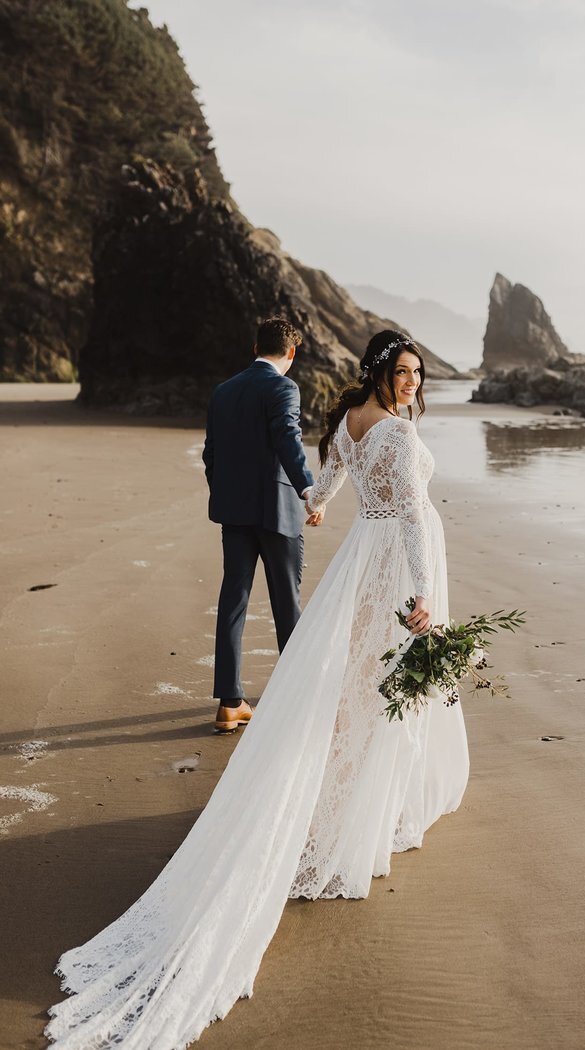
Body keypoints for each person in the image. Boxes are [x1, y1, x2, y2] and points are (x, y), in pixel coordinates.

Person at [46, 330, 470, 1050]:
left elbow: (334, 475)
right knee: (376, 689)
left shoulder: (350, 421)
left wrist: (318, 506)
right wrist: (424, 596)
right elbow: (404, 518)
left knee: (356, 688)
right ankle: (349, 822)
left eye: (418, 374)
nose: (413, 383)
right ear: (381, 373)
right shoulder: (396, 433)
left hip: (356, 563)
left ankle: (344, 804)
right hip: (395, 566)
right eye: (403, 372)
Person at [202, 317, 320, 733]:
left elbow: (210, 455)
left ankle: (229, 703)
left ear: (255, 346)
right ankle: (296, 695)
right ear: (291, 353)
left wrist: (228, 492)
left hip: (233, 511)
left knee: (233, 600)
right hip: (276, 511)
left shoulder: (223, 390)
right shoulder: (283, 387)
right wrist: (309, 489)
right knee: (286, 601)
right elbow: (288, 437)